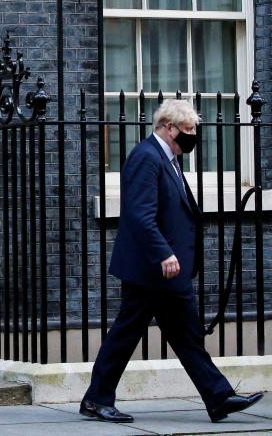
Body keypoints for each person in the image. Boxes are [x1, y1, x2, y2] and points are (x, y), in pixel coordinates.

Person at [79, 99, 263, 423]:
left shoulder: (168, 158)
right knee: (127, 333)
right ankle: (97, 399)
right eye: (188, 129)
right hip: (151, 268)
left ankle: (218, 397)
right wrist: (163, 253)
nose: (193, 135)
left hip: (167, 270)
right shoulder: (146, 157)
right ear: (168, 127)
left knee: (186, 335)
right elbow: (140, 215)